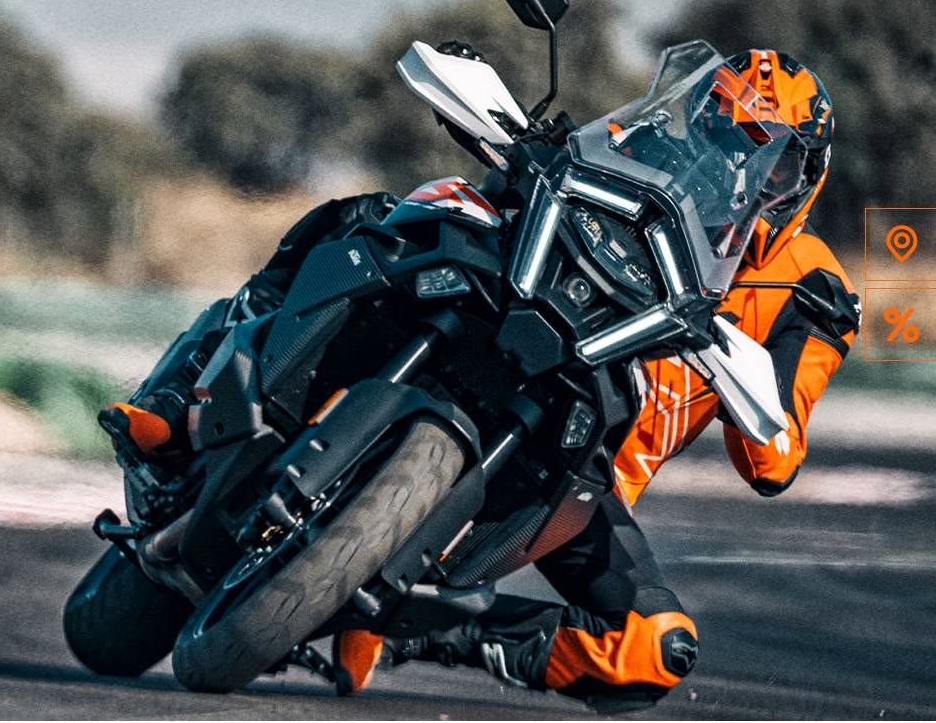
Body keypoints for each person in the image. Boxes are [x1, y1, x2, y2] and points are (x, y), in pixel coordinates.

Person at [101, 49, 860, 714]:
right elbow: (532, 173)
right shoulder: (642, 146)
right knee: (363, 219)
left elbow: (773, 459)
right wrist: (516, 138)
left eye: (770, 158)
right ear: (696, 112)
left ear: (803, 179)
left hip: (587, 456)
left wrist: (774, 349)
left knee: (656, 649)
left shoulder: (810, 286)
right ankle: (173, 405)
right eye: (724, 127)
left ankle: (424, 628)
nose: (736, 162)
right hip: (508, 313)